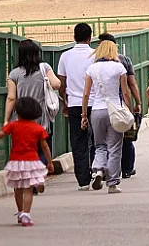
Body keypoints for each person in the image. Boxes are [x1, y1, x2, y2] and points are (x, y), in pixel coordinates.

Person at [0, 97, 53, 227]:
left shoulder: (13, 126)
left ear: (17, 112)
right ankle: (26, 214)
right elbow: (45, 146)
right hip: (32, 161)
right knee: (28, 189)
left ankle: (19, 212)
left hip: (16, 161)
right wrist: (50, 162)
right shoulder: (38, 129)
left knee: (18, 188)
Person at [4, 39, 61, 180]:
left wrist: (6, 120)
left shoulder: (14, 74)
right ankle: (37, 174)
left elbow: (11, 98)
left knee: (25, 150)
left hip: (21, 119)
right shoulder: (44, 68)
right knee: (43, 148)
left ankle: (28, 176)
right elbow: (56, 84)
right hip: (41, 118)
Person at [81, 40, 133, 194]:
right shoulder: (119, 67)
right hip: (115, 111)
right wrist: (129, 109)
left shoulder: (92, 68)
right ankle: (112, 183)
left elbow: (86, 94)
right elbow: (125, 92)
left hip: (96, 111)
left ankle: (97, 170)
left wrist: (84, 114)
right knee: (115, 148)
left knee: (99, 145)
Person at [98, 33, 143, 180]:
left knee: (102, 140)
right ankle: (127, 168)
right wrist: (138, 102)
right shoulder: (124, 60)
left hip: (101, 104)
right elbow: (132, 83)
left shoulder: (95, 62)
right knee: (125, 136)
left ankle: (103, 169)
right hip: (121, 103)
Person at [57, 23, 96, 191]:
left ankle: (83, 180)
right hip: (95, 102)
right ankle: (97, 169)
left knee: (78, 141)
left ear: (74, 37)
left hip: (74, 103)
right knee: (96, 138)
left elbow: (61, 82)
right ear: (90, 37)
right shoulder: (95, 55)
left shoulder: (65, 56)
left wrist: (64, 102)